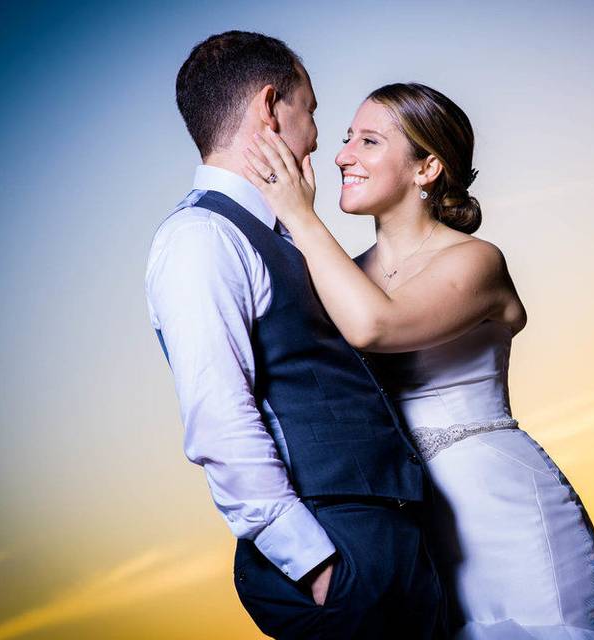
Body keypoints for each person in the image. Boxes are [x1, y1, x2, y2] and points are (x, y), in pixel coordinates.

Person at [243, 82, 594, 639]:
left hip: (501, 511)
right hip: (405, 521)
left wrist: (299, 217)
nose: (343, 154)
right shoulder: (341, 272)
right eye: (347, 138)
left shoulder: (477, 261)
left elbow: (378, 325)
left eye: (369, 141)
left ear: (427, 168)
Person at [145, 32, 445, 639]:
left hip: (392, 536)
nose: (317, 139)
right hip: (335, 547)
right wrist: (315, 563)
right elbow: (219, 420)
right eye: (310, 112)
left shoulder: (287, 235)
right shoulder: (200, 237)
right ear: (269, 106)